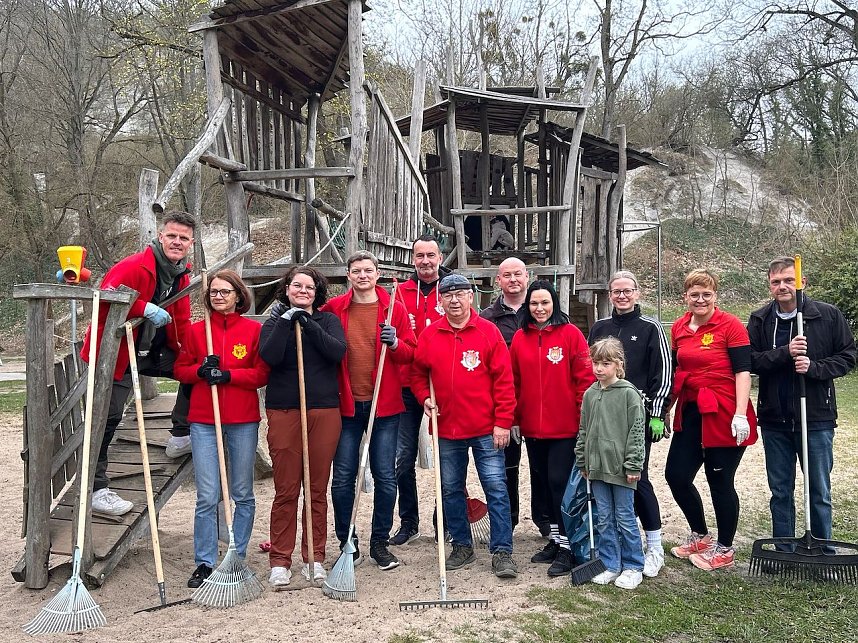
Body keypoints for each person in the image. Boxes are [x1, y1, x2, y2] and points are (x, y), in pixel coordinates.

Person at [80, 211, 195, 516]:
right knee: (108, 415)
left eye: (183, 238)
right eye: (172, 236)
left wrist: (189, 351)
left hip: (154, 350)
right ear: (161, 236)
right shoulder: (134, 266)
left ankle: (180, 434)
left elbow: (181, 320)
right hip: (117, 349)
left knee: (195, 371)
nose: (177, 242)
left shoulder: (181, 273)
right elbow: (104, 296)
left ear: (190, 243)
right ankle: (96, 489)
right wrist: (144, 307)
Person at [411, 273, 518, 579]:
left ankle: (502, 551)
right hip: (446, 430)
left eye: (460, 294)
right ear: (440, 300)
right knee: (449, 490)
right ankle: (462, 546)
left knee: (496, 489)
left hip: (486, 429)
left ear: (472, 297)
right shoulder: (430, 336)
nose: (454, 300)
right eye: (448, 295)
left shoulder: (488, 332)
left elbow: (504, 381)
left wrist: (502, 423)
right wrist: (423, 399)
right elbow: (418, 374)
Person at [748, 257, 856, 548]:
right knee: (780, 491)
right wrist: (785, 352)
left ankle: (822, 548)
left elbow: (848, 356)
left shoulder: (827, 316)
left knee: (818, 490)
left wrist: (814, 368)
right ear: (770, 285)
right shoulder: (760, 319)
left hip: (816, 418)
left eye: (788, 280)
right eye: (776, 282)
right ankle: (784, 549)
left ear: (801, 282)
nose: (782, 287)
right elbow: (752, 361)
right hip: (775, 419)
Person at [173, 270, 269, 588]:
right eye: (213, 292)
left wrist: (229, 376)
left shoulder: (253, 331)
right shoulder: (197, 332)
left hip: (242, 420)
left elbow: (260, 374)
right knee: (208, 494)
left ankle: (236, 555)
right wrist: (200, 371)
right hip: (204, 420)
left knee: (242, 492)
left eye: (225, 292)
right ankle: (205, 561)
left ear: (238, 296)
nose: (218, 296)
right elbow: (180, 369)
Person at [322, 251, 417, 570]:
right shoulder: (334, 309)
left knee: (386, 477)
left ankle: (380, 542)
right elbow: (316, 338)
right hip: (347, 406)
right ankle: (347, 541)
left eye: (368, 270)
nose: (363, 275)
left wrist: (395, 344)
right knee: (343, 478)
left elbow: (411, 354)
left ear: (377, 274)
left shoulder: (394, 311)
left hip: (385, 406)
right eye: (356, 271)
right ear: (348, 275)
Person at [260, 266, 346, 588]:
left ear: (317, 292)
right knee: (286, 489)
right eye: (297, 286)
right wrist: (286, 321)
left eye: (310, 287)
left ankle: (315, 557)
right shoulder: (273, 324)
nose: (303, 291)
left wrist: (308, 324)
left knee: (316, 489)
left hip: (323, 410)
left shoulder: (327, 321)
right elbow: (269, 356)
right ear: (287, 289)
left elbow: (337, 352)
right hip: (285, 410)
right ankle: (280, 559)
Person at [667, 269, 757, 571]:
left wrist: (740, 413)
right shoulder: (679, 326)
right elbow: (676, 369)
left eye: (706, 294)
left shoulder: (730, 325)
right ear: (686, 297)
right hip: (692, 409)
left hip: (724, 409)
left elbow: (743, 370)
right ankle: (701, 534)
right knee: (676, 476)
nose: (701, 299)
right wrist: (666, 408)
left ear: (715, 296)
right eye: (695, 294)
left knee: (719, 480)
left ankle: (725, 547)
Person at [588, 270, 672, 578]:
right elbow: (593, 369)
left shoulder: (650, 327)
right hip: (605, 415)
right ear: (609, 295)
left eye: (627, 291)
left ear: (636, 293)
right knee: (608, 480)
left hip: (638, 415)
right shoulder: (600, 327)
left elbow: (664, 371)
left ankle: (654, 544)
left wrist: (657, 414)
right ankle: (616, 549)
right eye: (616, 291)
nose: (622, 296)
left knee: (637, 477)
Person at [510, 280, 594, 577]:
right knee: (543, 484)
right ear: (527, 306)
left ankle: (570, 546)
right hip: (533, 427)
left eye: (545, 303)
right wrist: (515, 418)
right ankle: (556, 540)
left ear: (554, 304)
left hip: (565, 427)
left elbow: (584, 379)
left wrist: (583, 418)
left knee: (561, 484)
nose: (540, 308)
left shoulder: (571, 335)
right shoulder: (520, 338)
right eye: (534, 303)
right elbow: (515, 381)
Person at [390, 234, 450, 545]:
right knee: (402, 458)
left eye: (431, 255)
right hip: (404, 383)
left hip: (443, 385)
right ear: (413, 259)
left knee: (446, 456)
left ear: (440, 257)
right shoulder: (399, 293)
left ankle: (445, 518)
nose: (425, 261)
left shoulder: (453, 291)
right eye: (419, 256)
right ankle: (409, 520)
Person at [576, 338, 646, 589]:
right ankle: (610, 563)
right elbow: (584, 429)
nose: (599, 369)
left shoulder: (629, 394)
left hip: (621, 470)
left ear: (618, 365)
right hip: (597, 468)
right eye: (596, 363)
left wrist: (633, 464)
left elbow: (637, 432)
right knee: (604, 517)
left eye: (605, 363)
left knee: (625, 517)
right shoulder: (590, 394)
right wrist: (583, 459)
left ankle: (634, 565)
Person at [480, 257, 532, 534]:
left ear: (527, 276)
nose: (513, 280)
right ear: (498, 281)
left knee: (541, 465)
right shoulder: (487, 319)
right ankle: (508, 521)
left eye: (518, 274)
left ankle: (546, 521)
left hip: (536, 402)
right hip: (503, 405)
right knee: (506, 467)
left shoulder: (540, 311)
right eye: (506, 275)